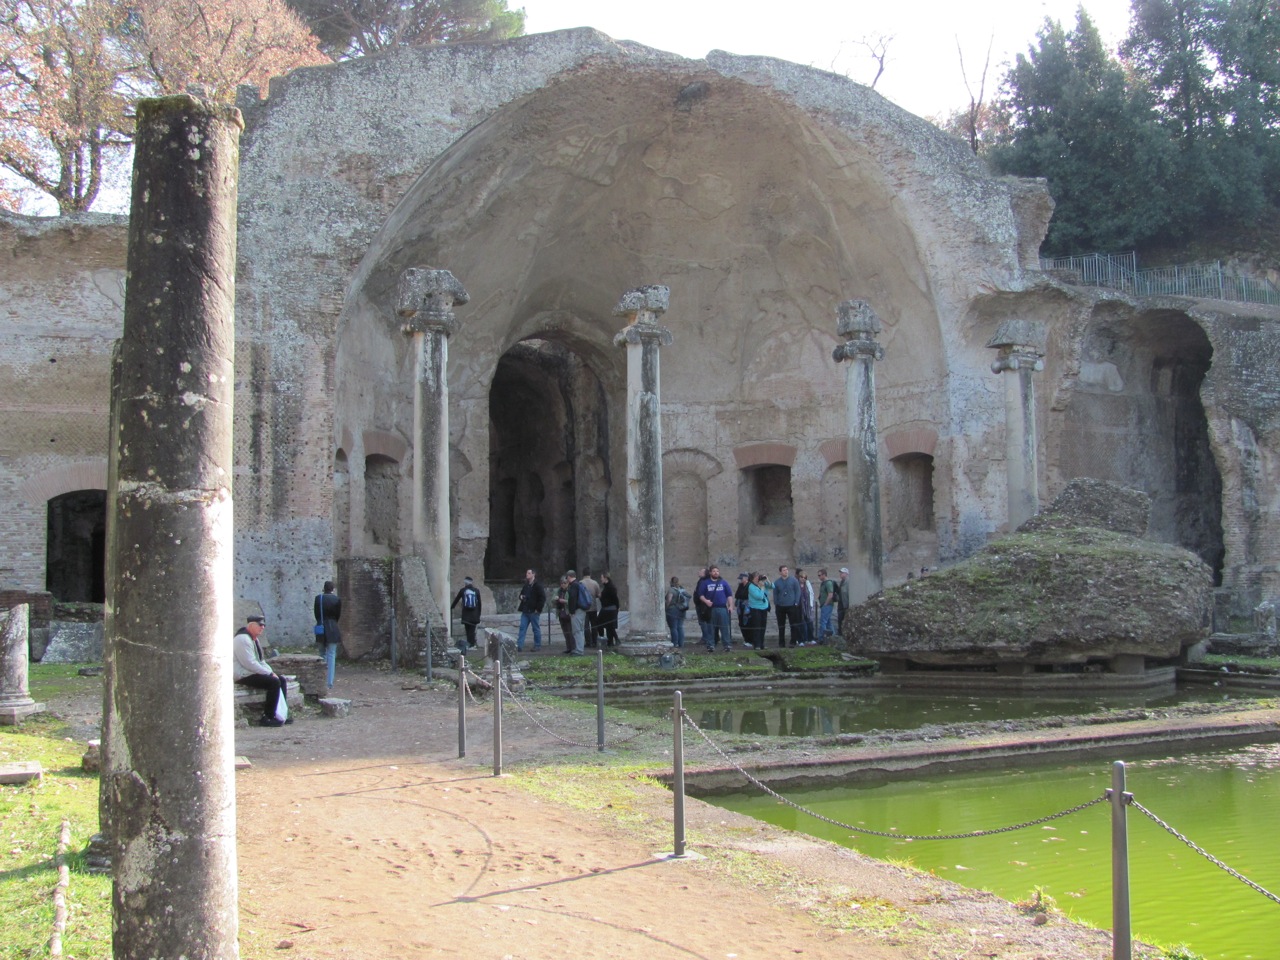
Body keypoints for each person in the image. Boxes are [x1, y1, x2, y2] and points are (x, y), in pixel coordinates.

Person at [233, 615, 290, 727]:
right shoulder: (242, 639)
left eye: (263, 625)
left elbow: (261, 661)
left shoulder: (254, 639)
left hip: (251, 672)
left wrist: (271, 672)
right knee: (274, 682)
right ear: (252, 625)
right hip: (243, 674)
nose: (262, 627)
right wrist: (269, 674)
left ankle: (281, 714)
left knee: (281, 680)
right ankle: (268, 717)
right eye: (260, 625)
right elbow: (249, 663)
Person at [696, 565, 735, 651]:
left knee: (724, 627)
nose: (716, 573)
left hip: (722, 608)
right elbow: (700, 595)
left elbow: (729, 595)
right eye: (714, 571)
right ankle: (710, 645)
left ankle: (727, 645)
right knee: (710, 628)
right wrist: (706, 601)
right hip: (711, 609)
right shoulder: (705, 583)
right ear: (710, 573)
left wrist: (731, 606)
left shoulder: (723, 582)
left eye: (717, 571)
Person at [313, 580, 342, 689]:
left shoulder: (318, 599)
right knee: (331, 654)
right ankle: (329, 682)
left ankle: (321, 679)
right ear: (333, 589)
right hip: (333, 628)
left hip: (321, 627)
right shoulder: (337, 599)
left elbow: (316, 614)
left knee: (322, 654)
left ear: (324, 588)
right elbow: (338, 615)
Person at [516, 568, 546, 652]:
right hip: (525, 610)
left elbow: (542, 598)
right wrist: (521, 597)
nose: (527, 574)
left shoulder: (538, 585)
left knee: (535, 629)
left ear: (533, 574)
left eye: (529, 573)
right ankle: (519, 645)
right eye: (527, 573)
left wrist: (538, 609)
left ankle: (537, 645)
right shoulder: (526, 585)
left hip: (533, 611)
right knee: (522, 628)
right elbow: (521, 594)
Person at [772, 565, 802, 648]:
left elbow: (798, 591)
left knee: (793, 624)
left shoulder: (794, 580)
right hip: (780, 606)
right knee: (781, 626)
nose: (786, 571)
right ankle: (781, 643)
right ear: (780, 572)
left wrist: (796, 602)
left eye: (786, 570)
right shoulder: (777, 582)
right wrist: (776, 603)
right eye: (784, 570)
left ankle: (793, 641)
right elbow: (775, 593)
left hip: (792, 605)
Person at [451, 576, 482, 650]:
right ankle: (472, 644)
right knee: (472, 630)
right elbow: (480, 604)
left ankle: (469, 644)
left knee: (467, 630)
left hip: (466, 614)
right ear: (471, 582)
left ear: (465, 583)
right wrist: (478, 614)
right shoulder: (476, 591)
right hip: (474, 615)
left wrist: (452, 607)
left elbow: (456, 600)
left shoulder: (463, 591)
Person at [744, 571, 772, 650]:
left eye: (758, 577)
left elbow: (772, 586)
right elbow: (759, 596)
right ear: (752, 579)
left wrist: (767, 580)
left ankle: (762, 644)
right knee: (757, 627)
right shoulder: (751, 587)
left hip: (764, 608)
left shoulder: (761, 584)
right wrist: (762, 588)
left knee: (763, 626)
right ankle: (757, 644)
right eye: (756, 577)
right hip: (756, 608)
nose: (757, 578)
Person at [564, 569, 588, 655]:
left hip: (577, 611)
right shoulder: (579, 584)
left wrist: (571, 611)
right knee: (580, 630)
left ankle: (579, 650)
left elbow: (572, 599)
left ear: (569, 577)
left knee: (577, 631)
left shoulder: (574, 585)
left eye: (567, 577)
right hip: (582, 610)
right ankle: (580, 648)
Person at [664, 576, 689, 648]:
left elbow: (669, 600)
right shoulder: (682, 589)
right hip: (682, 610)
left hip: (673, 610)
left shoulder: (671, 590)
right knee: (680, 627)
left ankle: (674, 643)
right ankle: (681, 643)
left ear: (671, 582)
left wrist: (666, 608)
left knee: (673, 627)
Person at [597, 572, 620, 646]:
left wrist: (601, 597)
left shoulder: (610, 587)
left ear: (605, 578)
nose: (601, 579)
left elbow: (614, 599)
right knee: (609, 626)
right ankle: (612, 641)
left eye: (602, 577)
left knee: (607, 625)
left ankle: (612, 640)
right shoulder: (608, 586)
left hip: (609, 609)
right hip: (609, 609)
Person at [580, 569, 601, 648]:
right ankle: (594, 641)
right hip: (593, 607)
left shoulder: (580, 583)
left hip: (584, 608)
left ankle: (588, 642)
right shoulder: (595, 583)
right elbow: (598, 595)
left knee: (586, 626)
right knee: (594, 625)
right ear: (590, 574)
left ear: (583, 574)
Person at [553, 575, 574, 653]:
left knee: (570, 631)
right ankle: (568, 648)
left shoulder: (570, 590)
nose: (563, 584)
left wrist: (564, 601)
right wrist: (555, 599)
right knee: (565, 632)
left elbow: (572, 601)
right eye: (561, 583)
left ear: (568, 583)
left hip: (568, 613)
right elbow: (552, 600)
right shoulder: (558, 591)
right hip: (561, 613)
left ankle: (573, 648)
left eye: (565, 583)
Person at [693, 566, 712, 648]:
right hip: (700, 604)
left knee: (703, 622)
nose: (699, 572)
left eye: (701, 571)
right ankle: (706, 637)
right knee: (703, 622)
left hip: (702, 605)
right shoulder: (701, 581)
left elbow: (701, 593)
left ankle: (706, 638)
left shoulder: (704, 582)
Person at [817, 568, 837, 643]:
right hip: (824, 605)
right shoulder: (823, 583)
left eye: (819, 575)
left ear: (824, 575)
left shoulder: (828, 583)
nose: (819, 577)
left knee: (823, 621)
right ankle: (834, 637)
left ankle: (822, 638)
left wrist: (826, 603)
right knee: (828, 622)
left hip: (827, 605)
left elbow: (830, 594)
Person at [796, 568, 815, 646]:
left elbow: (811, 593)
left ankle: (810, 638)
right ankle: (801, 640)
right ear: (799, 577)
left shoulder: (807, 584)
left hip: (807, 606)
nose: (803, 579)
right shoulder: (796, 584)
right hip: (799, 606)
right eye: (802, 577)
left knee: (809, 623)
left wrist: (811, 605)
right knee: (801, 623)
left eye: (805, 577)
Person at [734, 572, 751, 640]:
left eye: (742, 578)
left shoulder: (750, 585)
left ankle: (749, 639)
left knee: (747, 622)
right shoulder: (740, 586)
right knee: (741, 623)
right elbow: (737, 595)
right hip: (740, 607)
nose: (741, 580)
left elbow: (746, 595)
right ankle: (746, 639)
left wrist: (741, 596)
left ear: (746, 578)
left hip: (747, 607)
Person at [837, 567, 851, 632]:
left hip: (846, 605)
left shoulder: (848, 583)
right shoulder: (841, 582)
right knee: (840, 619)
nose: (840, 574)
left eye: (842, 573)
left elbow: (848, 594)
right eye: (840, 573)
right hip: (841, 605)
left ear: (846, 574)